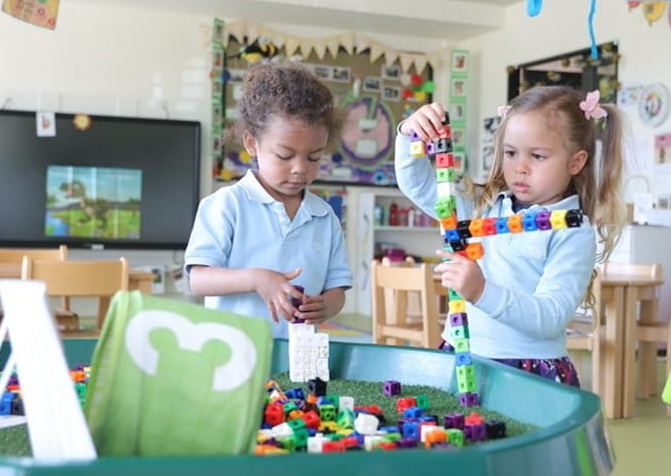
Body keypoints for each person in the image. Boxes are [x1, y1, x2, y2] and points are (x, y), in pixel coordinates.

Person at [394, 86, 627, 387]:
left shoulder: (571, 230)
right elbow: (418, 184)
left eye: (538, 156)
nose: (520, 167)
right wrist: (407, 132)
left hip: (528, 371)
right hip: (464, 354)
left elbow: (550, 316)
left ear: (576, 162)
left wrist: (481, 292)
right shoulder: (482, 205)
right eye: (511, 152)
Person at [184, 62, 352, 339]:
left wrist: (325, 307)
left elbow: (337, 289)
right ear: (252, 144)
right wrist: (256, 279)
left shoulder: (324, 217)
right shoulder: (227, 204)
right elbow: (198, 279)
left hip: (298, 355)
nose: (300, 168)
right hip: (229, 352)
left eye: (314, 157)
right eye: (285, 156)